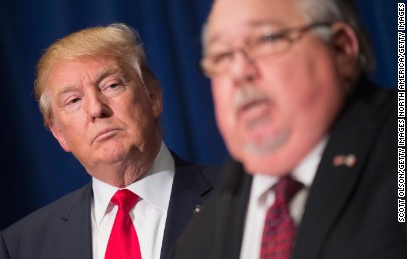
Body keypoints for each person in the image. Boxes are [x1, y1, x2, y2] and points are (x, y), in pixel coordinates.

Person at [169, 0, 406, 258]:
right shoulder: (197, 240)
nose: (238, 72)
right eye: (222, 56)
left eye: (267, 39)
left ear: (341, 48)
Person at [0, 23, 219, 259]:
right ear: (59, 134)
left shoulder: (239, 198)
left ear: (153, 97)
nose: (96, 109)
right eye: (73, 101)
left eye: (111, 85)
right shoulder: (21, 247)